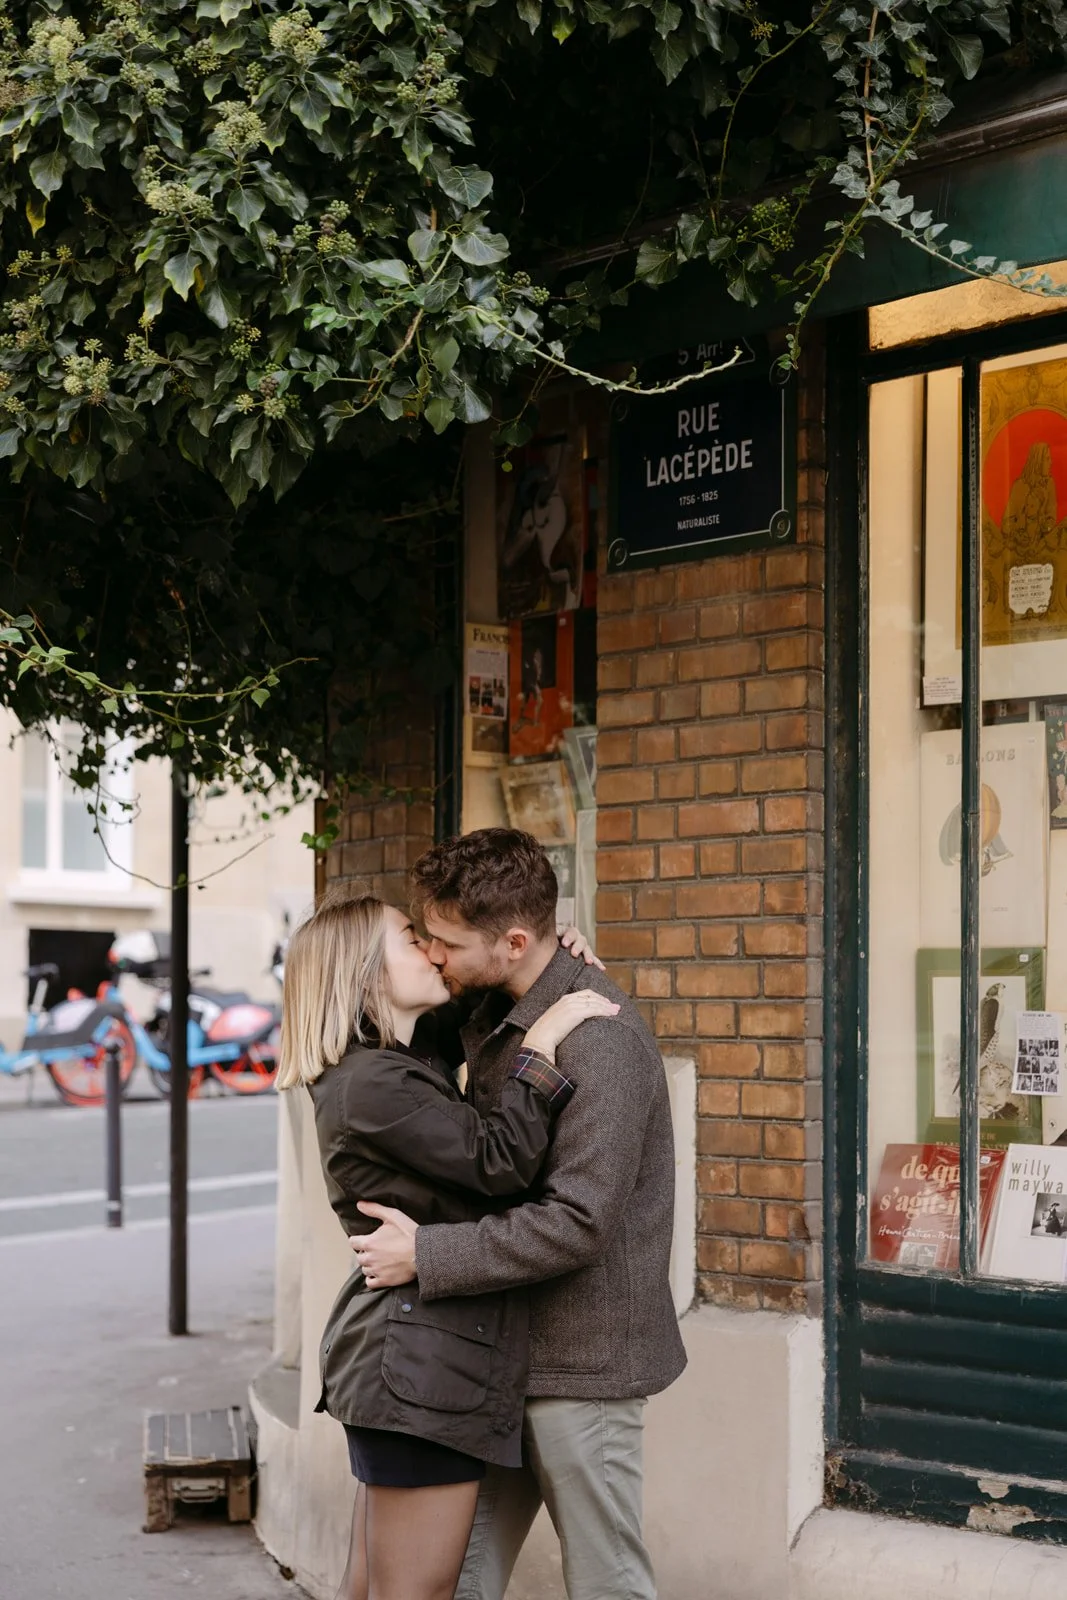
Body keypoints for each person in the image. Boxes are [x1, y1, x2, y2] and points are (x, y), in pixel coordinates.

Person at [352, 829, 687, 1600]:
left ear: (509, 941)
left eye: (444, 941)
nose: (432, 955)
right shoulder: (496, 1007)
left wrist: (427, 1256)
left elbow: (576, 1221)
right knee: (457, 1579)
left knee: (606, 1584)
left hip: (584, 1365)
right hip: (502, 1354)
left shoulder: (598, 1043)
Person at [276, 892, 618, 1600]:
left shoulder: (393, 1061)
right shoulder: (374, 1083)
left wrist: (539, 958)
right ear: (366, 973)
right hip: (417, 1368)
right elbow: (501, 1161)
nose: (431, 952)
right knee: (413, 1592)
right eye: (411, 939)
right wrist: (540, 1045)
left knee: (373, 1589)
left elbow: (462, 1007)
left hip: (410, 1360)